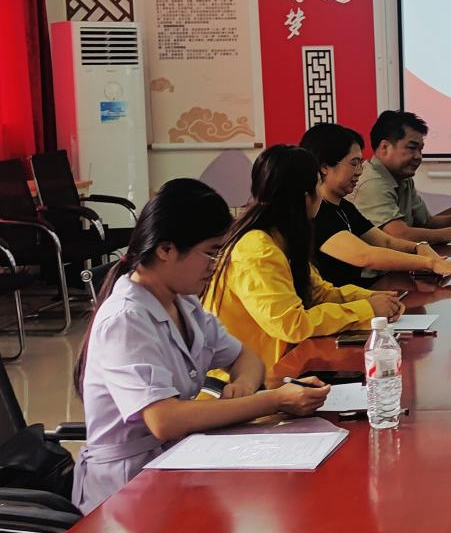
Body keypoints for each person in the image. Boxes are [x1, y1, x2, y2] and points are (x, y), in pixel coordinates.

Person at [73, 179, 331, 513]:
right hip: (126, 490)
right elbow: (164, 419)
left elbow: (246, 356)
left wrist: (243, 386)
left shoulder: (183, 302)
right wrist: (273, 399)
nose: (216, 265)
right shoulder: (126, 319)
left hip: (177, 459)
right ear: (166, 250)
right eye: (210, 252)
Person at [204, 145, 403, 371]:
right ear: (305, 197)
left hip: (283, 365)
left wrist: (373, 298)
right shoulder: (257, 249)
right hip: (248, 379)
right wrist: (367, 309)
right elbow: (292, 325)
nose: (322, 193)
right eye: (318, 184)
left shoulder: (281, 236)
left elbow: (318, 293)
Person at [299, 123, 451, 287]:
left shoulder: (344, 207)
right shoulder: (316, 212)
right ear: (325, 167)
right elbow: (365, 256)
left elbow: (385, 242)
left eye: (361, 163)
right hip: (335, 301)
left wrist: (418, 247)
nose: (359, 171)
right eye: (354, 163)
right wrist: (430, 263)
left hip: (357, 294)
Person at [349, 110, 451, 243]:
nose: (418, 156)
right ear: (385, 147)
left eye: (420, 149)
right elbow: (399, 235)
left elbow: (426, 222)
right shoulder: (371, 182)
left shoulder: (403, 179)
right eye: (412, 148)